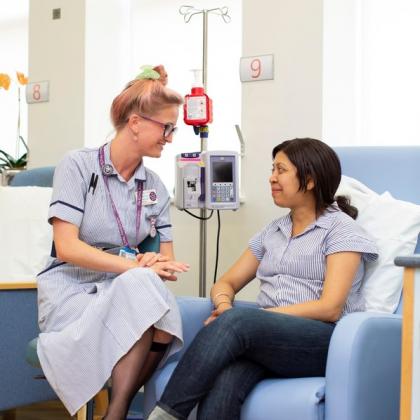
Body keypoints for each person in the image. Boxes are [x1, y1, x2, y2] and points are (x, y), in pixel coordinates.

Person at [148, 138, 379, 420]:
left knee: (239, 322)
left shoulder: (342, 229)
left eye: (281, 170)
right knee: (225, 384)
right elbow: (225, 283)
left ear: (309, 180)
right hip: (268, 340)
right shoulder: (273, 231)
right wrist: (224, 306)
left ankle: (164, 416)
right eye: (273, 169)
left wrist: (256, 321)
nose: (271, 178)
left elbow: (330, 307)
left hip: (323, 339)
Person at [36, 65, 190, 419]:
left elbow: (168, 260)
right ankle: (118, 413)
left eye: (173, 128)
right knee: (138, 292)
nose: (170, 137)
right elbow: (67, 247)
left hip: (125, 285)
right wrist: (135, 265)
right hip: (71, 288)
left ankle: (115, 410)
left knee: (163, 310)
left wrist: (153, 264)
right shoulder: (77, 166)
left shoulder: (155, 187)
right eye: (166, 127)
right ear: (136, 122)